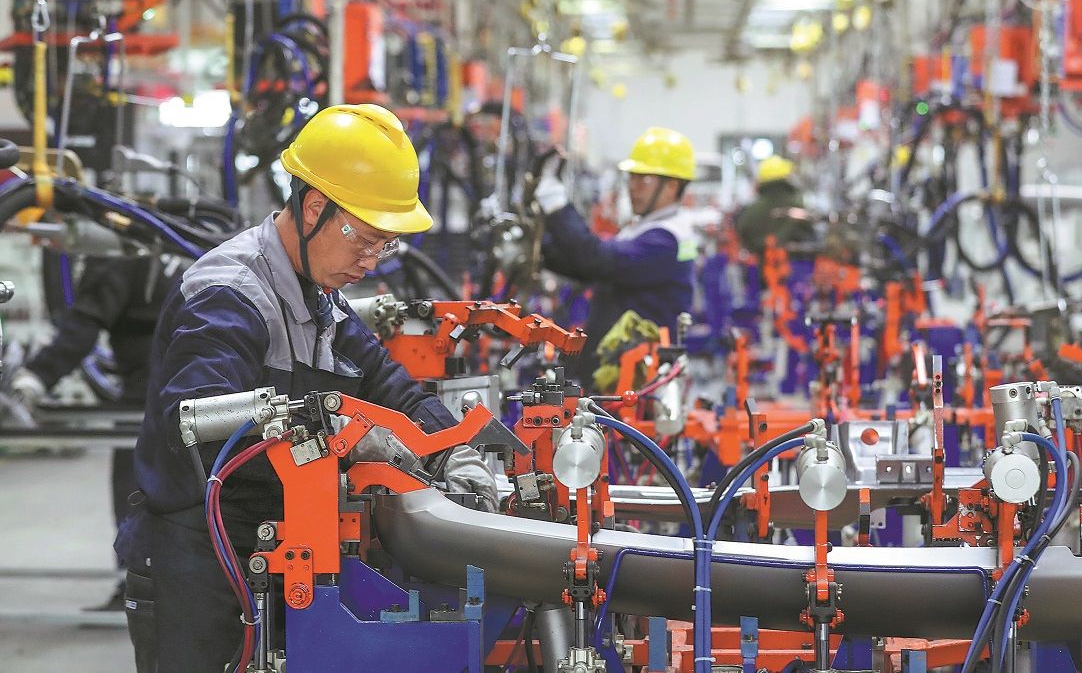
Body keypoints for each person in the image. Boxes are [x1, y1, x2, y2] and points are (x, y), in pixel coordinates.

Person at [115, 104, 497, 672]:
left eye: (384, 246)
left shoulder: (323, 302)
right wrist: (345, 436)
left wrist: (455, 452)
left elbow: (394, 389)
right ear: (315, 208)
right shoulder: (230, 294)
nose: (372, 261)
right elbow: (192, 426)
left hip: (277, 549)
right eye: (365, 240)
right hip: (198, 560)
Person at [7, 255, 177, 610]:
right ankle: (164, 590)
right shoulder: (167, 249)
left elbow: (81, 328)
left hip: (147, 395)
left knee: (134, 491)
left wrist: (36, 376)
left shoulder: (116, 257)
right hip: (191, 388)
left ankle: (137, 592)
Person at [534, 127, 697, 389]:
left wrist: (557, 205)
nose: (633, 188)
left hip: (636, 379)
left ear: (672, 186)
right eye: (631, 178)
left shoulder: (666, 238)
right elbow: (591, 270)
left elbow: (595, 259)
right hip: (621, 368)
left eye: (643, 180)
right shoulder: (646, 227)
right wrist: (541, 253)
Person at [734, 154, 811, 259]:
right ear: (785, 178)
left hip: (760, 270)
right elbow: (810, 233)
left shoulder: (752, 211)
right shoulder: (797, 207)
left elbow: (744, 235)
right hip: (798, 268)